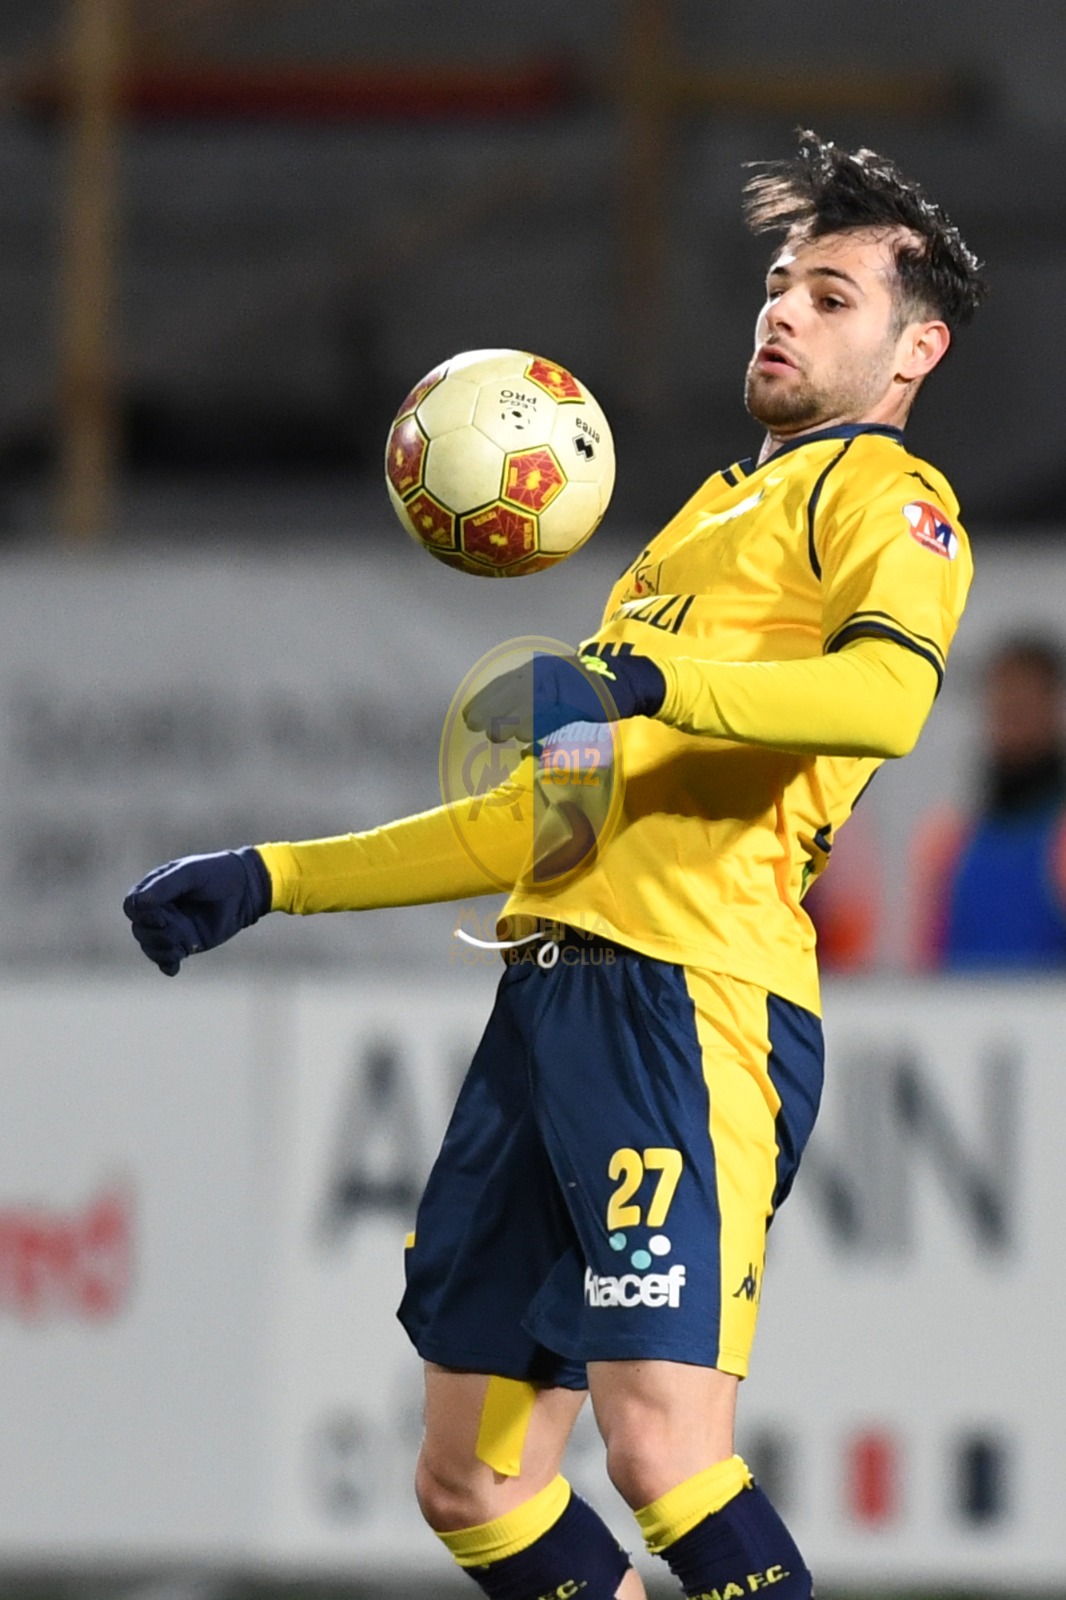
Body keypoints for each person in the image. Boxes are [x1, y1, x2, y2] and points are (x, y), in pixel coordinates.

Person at [124, 132, 986, 1600]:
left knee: (664, 1451)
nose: (783, 312)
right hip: (549, 1004)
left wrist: (648, 683)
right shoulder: (685, 536)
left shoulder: (884, 500)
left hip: (690, 1005)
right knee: (472, 1480)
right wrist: (271, 875)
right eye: (779, 285)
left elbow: (885, 698)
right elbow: (546, 825)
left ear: (916, 348)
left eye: (831, 297)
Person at [910, 635, 1066, 969]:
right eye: (1003, 708)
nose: (1011, 725)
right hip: (959, 1001)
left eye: (1023, 708)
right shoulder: (949, 839)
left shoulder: (1059, 836)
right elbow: (930, 958)